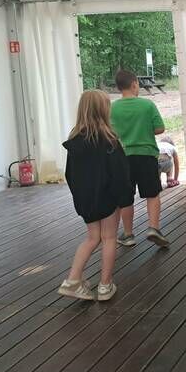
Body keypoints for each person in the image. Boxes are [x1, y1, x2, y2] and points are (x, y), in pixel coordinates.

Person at [58, 90, 133, 301]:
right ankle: (105, 286)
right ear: (104, 110)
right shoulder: (109, 141)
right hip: (108, 199)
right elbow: (120, 174)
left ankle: (72, 280)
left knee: (92, 238)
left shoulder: (74, 142)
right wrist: (125, 198)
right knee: (109, 238)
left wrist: (80, 197)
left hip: (87, 200)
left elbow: (70, 174)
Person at [111, 69, 169, 248]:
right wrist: (144, 130)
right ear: (135, 84)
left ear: (119, 87)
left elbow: (110, 133)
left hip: (123, 158)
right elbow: (160, 128)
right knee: (152, 193)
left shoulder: (113, 108)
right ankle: (154, 228)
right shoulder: (147, 105)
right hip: (146, 156)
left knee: (126, 197)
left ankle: (128, 235)